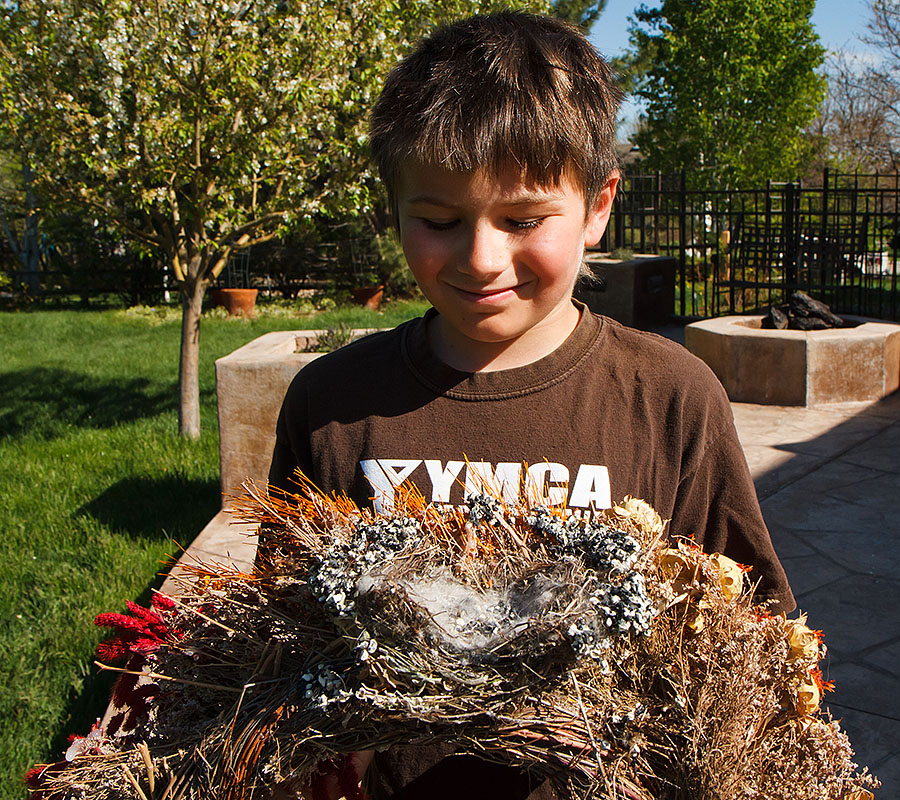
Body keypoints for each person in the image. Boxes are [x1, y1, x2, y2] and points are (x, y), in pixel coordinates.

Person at [265, 10, 795, 798]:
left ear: (598, 204)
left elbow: (752, 633)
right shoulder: (333, 403)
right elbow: (286, 631)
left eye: (522, 220)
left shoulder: (671, 399)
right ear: (394, 208)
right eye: (439, 220)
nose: (482, 260)